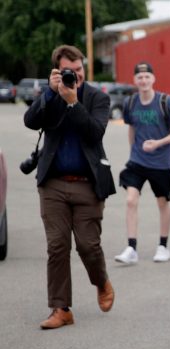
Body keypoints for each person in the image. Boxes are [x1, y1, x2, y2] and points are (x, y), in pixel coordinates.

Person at [23, 44, 116, 329]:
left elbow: (95, 132)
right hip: (53, 183)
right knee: (57, 246)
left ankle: (100, 281)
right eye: (68, 71)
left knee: (88, 246)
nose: (74, 76)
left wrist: (73, 102)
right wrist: (51, 94)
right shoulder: (50, 95)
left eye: (78, 70)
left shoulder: (97, 98)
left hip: (87, 183)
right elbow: (30, 121)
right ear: (57, 70)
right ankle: (60, 308)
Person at [115, 62, 170, 265]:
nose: (143, 81)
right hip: (137, 161)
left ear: (153, 79)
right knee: (130, 200)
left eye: (147, 77)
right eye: (139, 77)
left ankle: (163, 246)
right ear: (135, 80)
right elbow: (132, 129)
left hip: (161, 163)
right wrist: (132, 152)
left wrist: (157, 144)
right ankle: (131, 248)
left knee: (162, 203)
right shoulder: (130, 103)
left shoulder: (165, 101)